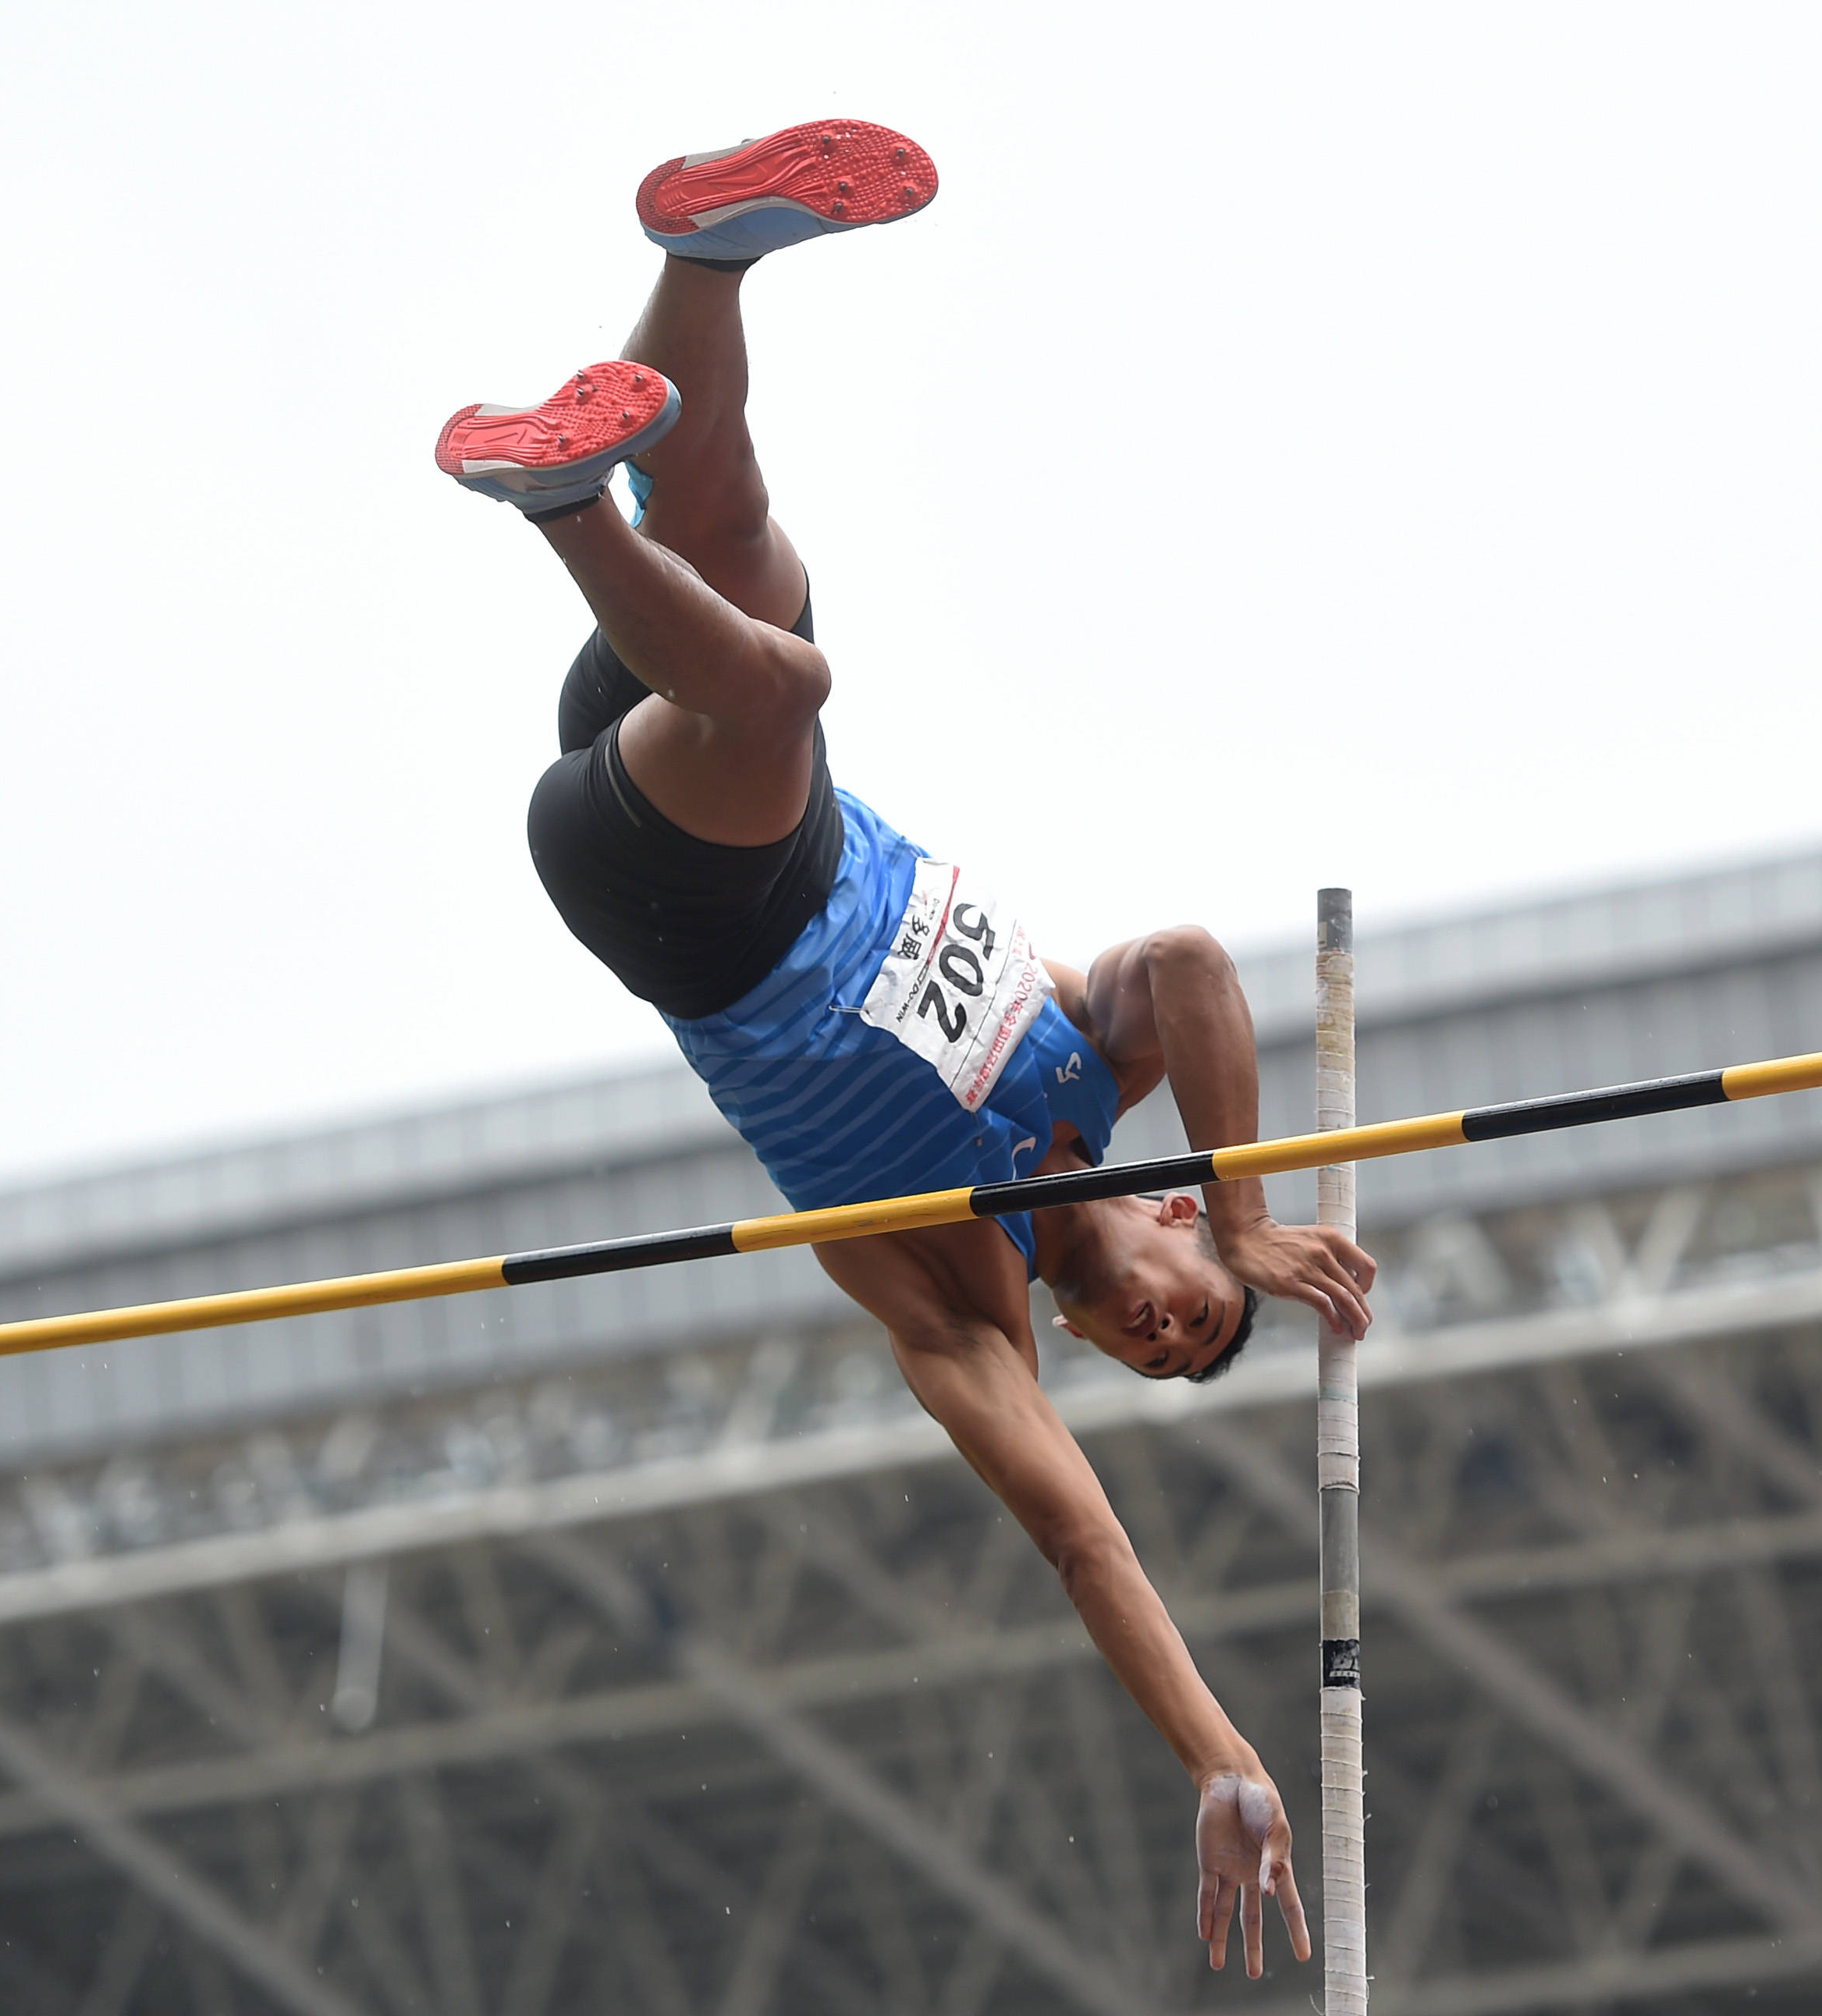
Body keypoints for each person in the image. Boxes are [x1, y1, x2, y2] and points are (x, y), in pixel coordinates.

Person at [433, 119, 1375, 1979]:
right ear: (1176, 1215)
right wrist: (1258, 1206)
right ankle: (703, 251)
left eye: (1159, 1353)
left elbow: (1085, 1547)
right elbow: (1187, 955)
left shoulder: (962, 1310)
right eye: (1202, 1303)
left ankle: (552, 507)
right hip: (692, 728)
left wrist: (1219, 1755)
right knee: (741, 539)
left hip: (688, 894)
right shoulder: (1092, 1075)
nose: (1174, 1327)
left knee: (784, 673)